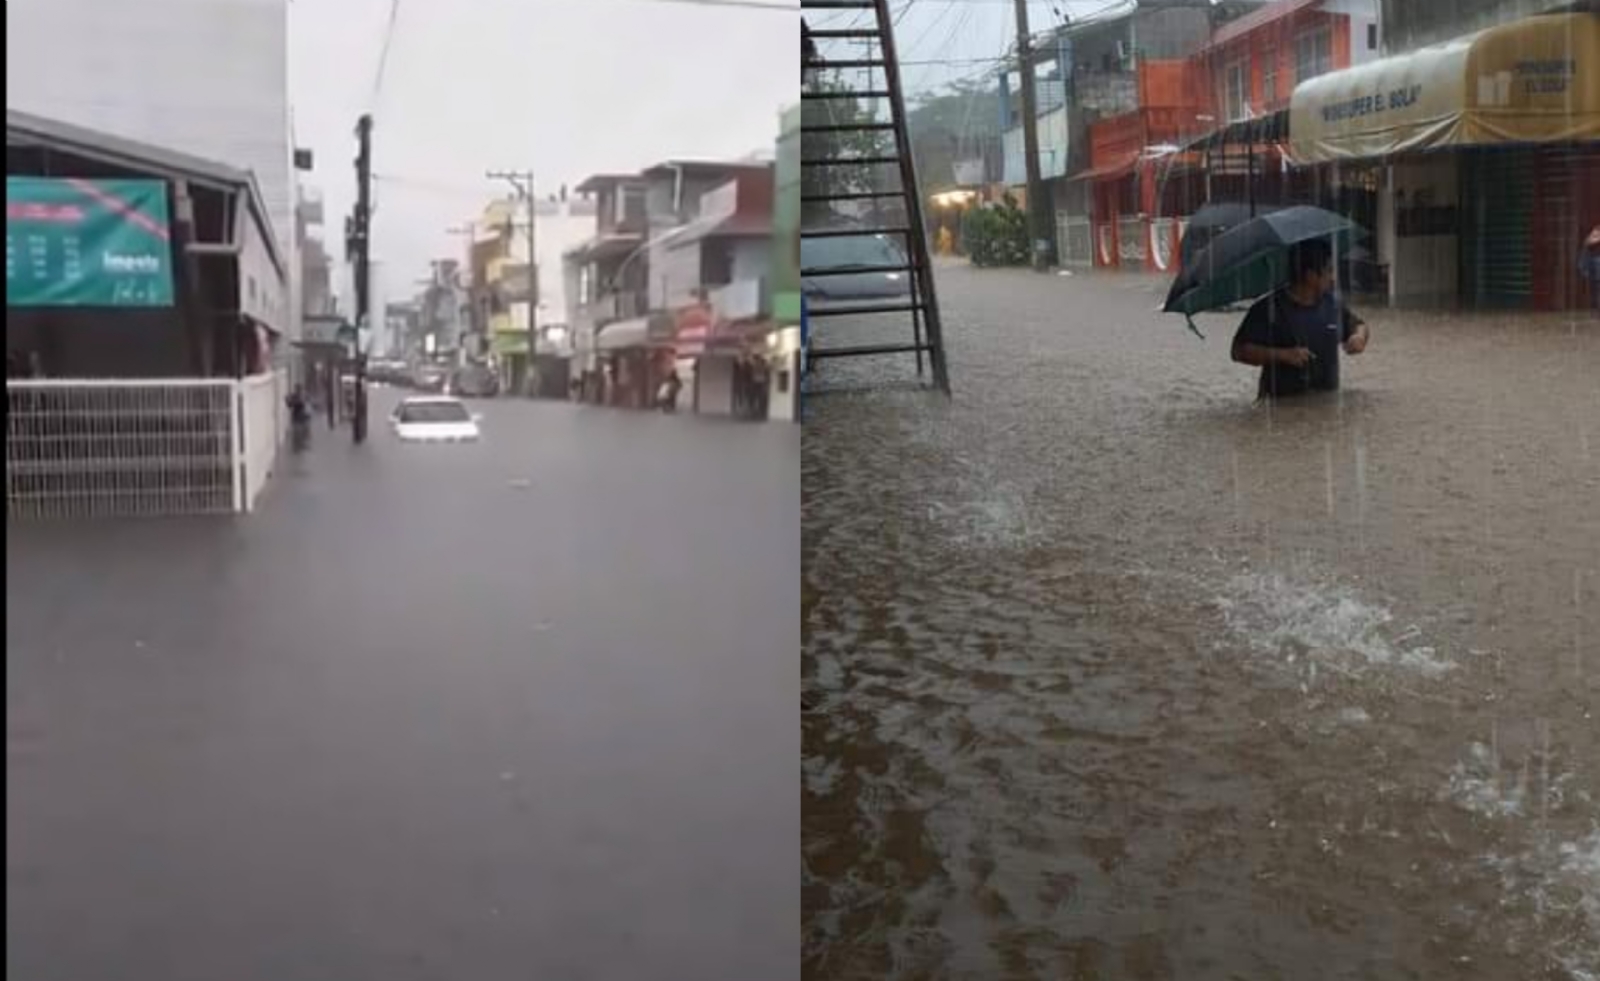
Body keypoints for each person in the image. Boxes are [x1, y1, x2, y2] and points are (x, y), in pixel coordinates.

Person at [1230, 238, 1370, 400]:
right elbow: (1238, 351)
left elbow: (1359, 325)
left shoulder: (1332, 304)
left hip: (1327, 408)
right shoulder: (1269, 309)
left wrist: (1358, 337)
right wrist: (1283, 355)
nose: (1333, 278)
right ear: (1310, 275)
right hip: (1280, 410)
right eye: (1329, 271)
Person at [1581, 224, 1600, 316]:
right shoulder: (1594, 234)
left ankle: (1596, 310)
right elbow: (1587, 243)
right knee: (1595, 289)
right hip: (1594, 267)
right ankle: (1595, 310)